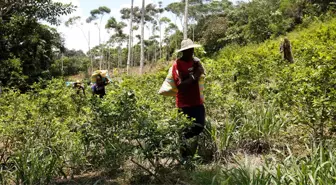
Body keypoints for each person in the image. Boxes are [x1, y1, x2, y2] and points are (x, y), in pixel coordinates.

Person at [172, 39, 206, 161]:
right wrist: (194, 76)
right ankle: (184, 158)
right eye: (188, 50)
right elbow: (181, 86)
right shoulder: (177, 65)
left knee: (200, 125)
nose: (191, 51)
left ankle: (190, 151)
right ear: (183, 51)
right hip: (184, 104)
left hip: (197, 101)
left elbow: (202, 74)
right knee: (184, 130)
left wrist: (199, 72)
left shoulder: (196, 62)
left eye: (192, 49)